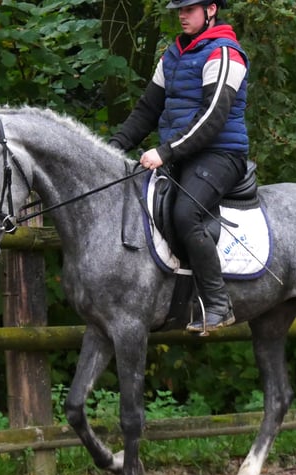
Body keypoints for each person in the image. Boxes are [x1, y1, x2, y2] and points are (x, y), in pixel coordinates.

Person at [109, 0, 249, 332]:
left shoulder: (225, 52)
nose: (182, 16)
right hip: (180, 154)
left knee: (186, 213)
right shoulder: (173, 55)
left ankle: (218, 303)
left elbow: (213, 117)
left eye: (189, 9)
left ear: (211, 9)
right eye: (179, 11)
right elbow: (147, 110)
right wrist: (110, 149)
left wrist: (166, 151)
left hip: (221, 154)